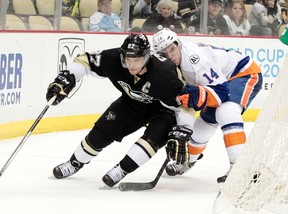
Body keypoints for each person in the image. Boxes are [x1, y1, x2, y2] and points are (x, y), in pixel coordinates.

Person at [45, 33, 202, 188]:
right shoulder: (114, 58)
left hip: (165, 109)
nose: (132, 65)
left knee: (152, 138)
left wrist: (182, 131)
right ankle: (74, 163)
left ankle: (121, 170)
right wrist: (64, 79)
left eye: (137, 60)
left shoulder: (164, 74)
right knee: (102, 131)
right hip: (132, 102)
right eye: (128, 59)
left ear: (147, 57)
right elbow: (84, 60)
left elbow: (185, 104)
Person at [152, 28, 263, 182]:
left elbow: (221, 92)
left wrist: (196, 96)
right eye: (165, 54)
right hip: (218, 83)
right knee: (203, 126)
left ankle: (240, 167)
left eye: (172, 49)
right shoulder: (169, 66)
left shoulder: (194, 60)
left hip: (242, 73)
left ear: (178, 44)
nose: (170, 56)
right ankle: (187, 160)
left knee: (226, 111)